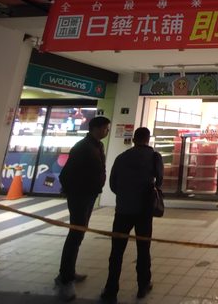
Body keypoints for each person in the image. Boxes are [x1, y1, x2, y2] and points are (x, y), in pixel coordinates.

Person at [100, 127, 163, 304]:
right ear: (148, 139)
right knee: (143, 249)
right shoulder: (154, 157)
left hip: (123, 210)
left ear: (134, 139)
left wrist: (125, 195)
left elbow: (112, 184)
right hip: (144, 211)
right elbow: (160, 181)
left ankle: (111, 289)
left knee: (116, 251)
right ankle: (143, 285)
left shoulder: (122, 157)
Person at [55, 115, 111, 301]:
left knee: (78, 234)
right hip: (80, 195)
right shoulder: (82, 147)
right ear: (97, 128)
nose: (107, 131)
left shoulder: (97, 145)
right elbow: (66, 174)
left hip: (89, 194)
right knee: (75, 234)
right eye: (106, 128)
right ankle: (65, 279)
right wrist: (73, 191)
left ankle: (68, 271)